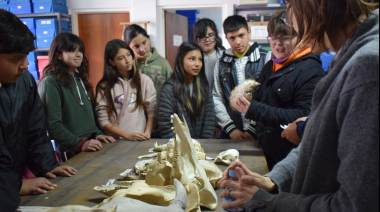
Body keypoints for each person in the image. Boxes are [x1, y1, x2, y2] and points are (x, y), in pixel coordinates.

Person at [219, 0, 379, 211]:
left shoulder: (366, 67)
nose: (289, 19)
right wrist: (274, 180)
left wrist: (271, 202)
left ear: (316, 5)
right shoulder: (346, 56)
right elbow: (317, 139)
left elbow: (354, 205)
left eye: (291, 7)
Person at [0, 10, 76, 211]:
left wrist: (49, 167)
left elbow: (35, 131)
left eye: (26, 57)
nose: (25, 65)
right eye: (16, 59)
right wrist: (15, 185)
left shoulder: (24, 81)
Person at [234, 9, 325, 170]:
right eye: (273, 38)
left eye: (285, 38)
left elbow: (305, 117)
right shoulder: (271, 65)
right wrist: (246, 97)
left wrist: (254, 109)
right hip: (268, 149)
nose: (277, 44)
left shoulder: (310, 69)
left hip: (290, 157)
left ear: (300, 37)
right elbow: (263, 97)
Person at [39, 33, 115, 161]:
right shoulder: (50, 82)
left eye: (80, 50)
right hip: (71, 149)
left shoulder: (80, 80)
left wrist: (97, 134)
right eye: (72, 51)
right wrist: (79, 144)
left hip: (90, 144)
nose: (79, 55)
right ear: (58, 55)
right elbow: (53, 126)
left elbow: (88, 118)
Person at [213, 15, 269, 140]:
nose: (237, 42)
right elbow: (217, 97)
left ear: (249, 33)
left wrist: (253, 129)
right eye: (232, 38)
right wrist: (230, 128)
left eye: (241, 35)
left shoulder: (266, 58)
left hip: (261, 132)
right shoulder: (221, 62)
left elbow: (269, 97)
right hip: (231, 134)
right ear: (226, 38)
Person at [96, 39, 157, 141]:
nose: (127, 60)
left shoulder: (144, 80)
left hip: (140, 138)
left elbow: (152, 110)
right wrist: (127, 135)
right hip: (114, 142)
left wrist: (147, 133)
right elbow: (103, 120)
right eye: (121, 58)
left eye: (128, 55)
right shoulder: (104, 86)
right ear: (112, 61)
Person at [124, 24, 173, 138]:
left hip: (160, 123)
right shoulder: (128, 66)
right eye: (136, 46)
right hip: (134, 127)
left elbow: (173, 93)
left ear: (149, 39)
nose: (142, 49)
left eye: (144, 43)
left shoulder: (163, 63)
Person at [158, 42, 215, 139]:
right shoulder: (169, 89)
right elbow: (166, 125)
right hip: (178, 149)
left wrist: (202, 146)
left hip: (201, 148)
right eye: (192, 59)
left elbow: (209, 121)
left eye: (200, 59)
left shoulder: (204, 86)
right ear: (181, 60)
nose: (197, 64)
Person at [194, 18, 226, 89]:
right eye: (203, 36)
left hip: (220, 98)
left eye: (211, 35)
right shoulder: (192, 57)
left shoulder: (224, 56)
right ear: (196, 38)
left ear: (216, 36)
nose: (207, 40)